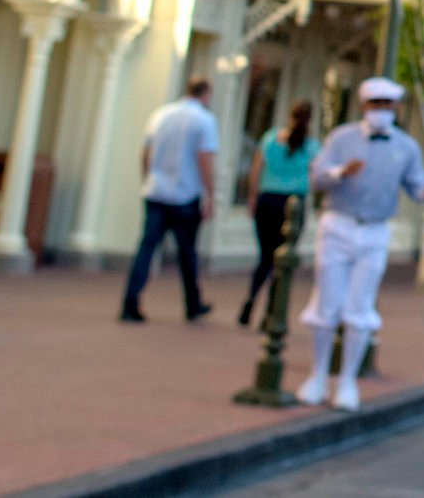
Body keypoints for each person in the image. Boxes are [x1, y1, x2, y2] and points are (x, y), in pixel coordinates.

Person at [295, 77, 424, 412]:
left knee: (360, 308)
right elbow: (316, 178)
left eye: (387, 106)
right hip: (338, 223)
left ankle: (347, 380)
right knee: (327, 304)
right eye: (376, 105)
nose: (382, 111)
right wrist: (341, 172)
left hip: (375, 230)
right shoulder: (340, 139)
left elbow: (416, 188)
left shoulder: (406, 146)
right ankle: (317, 375)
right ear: (364, 106)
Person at [120, 76, 218, 324]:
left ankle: (131, 301)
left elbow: (145, 152)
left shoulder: (161, 115)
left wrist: (147, 180)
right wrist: (210, 194)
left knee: (147, 248)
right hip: (184, 195)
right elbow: (205, 159)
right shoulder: (204, 120)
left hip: (157, 191)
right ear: (205, 94)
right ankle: (192, 304)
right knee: (187, 253)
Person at [238, 99, 316, 327]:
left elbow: (256, 170)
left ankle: (251, 303)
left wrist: (252, 197)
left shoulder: (271, 138)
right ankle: (271, 313)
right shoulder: (310, 146)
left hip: (268, 200)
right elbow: (318, 175)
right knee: (282, 261)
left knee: (265, 258)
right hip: (293, 204)